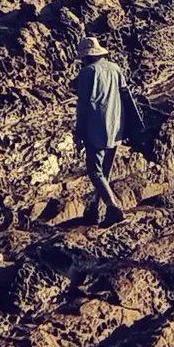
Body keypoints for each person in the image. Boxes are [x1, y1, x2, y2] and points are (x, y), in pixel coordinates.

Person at [74, 36, 129, 226]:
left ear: (87, 57)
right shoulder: (115, 69)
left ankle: (113, 207)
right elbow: (125, 95)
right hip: (116, 127)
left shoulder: (87, 73)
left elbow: (83, 105)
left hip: (96, 128)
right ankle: (96, 212)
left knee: (95, 172)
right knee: (104, 173)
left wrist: (79, 132)